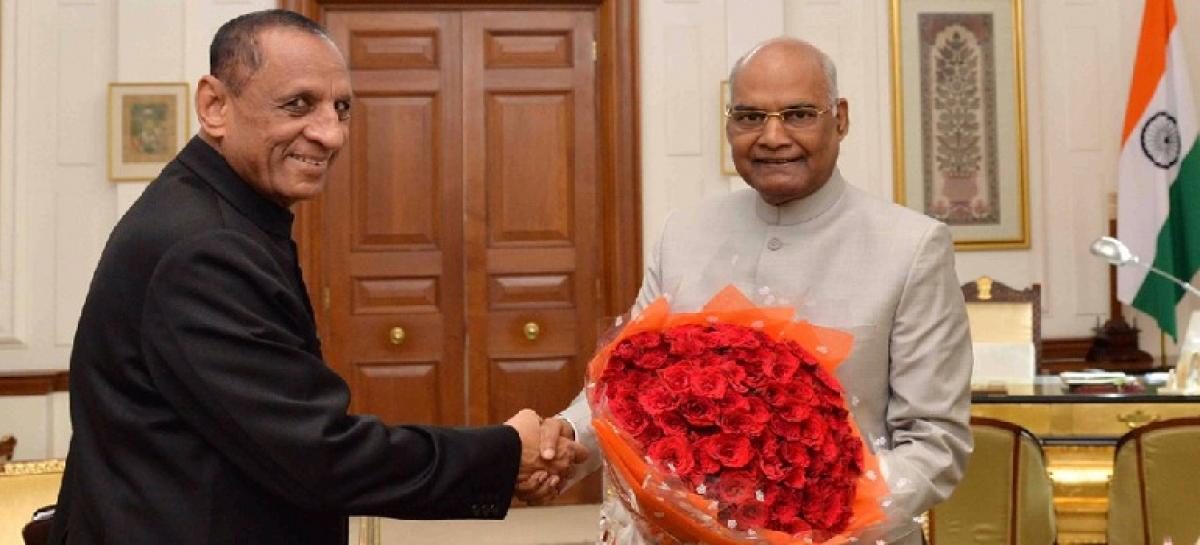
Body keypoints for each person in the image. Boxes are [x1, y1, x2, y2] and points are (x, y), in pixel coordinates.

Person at [47, 10, 581, 545]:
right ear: (214, 106)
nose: (330, 134)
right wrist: (507, 454)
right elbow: (318, 454)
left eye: (341, 107)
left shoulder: (219, 214)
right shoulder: (205, 246)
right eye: (298, 104)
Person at [531, 37, 973, 544]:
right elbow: (625, 387)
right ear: (729, 125)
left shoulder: (911, 247)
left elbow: (934, 443)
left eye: (799, 114)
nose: (772, 136)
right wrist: (563, 441)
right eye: (749, 117)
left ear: (841, 119)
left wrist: (812, 524)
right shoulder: (685, 233)